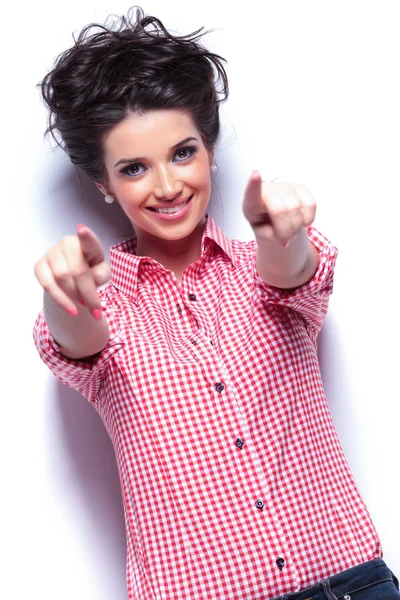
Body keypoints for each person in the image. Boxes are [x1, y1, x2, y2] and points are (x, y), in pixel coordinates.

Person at [32, 7, 399, 600]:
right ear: (103, 181)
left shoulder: (264, 269)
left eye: (183, 153)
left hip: (351, 586)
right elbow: (77, 340)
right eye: (133, 168)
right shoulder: (108, 303)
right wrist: (66, 295)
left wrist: (282, 233)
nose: (168, 186)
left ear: (209, 149)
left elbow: (291, 272)